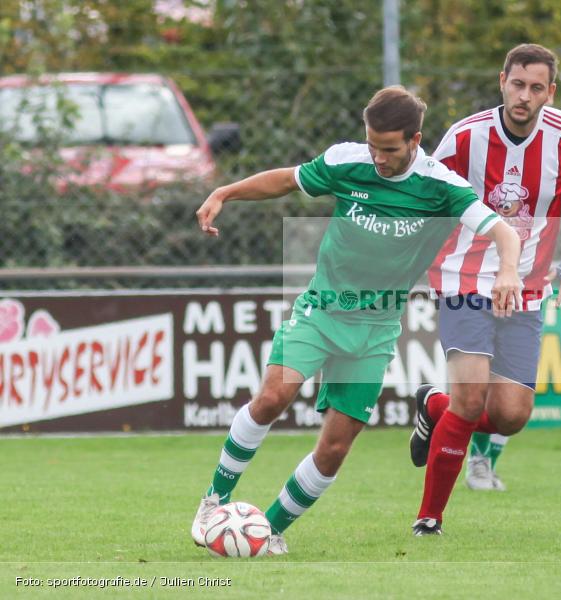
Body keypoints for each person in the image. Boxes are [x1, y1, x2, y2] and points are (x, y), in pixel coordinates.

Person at [189, 86, 524, 554]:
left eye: (389, 149)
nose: (378, 158)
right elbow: (287, 180)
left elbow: (504, 232)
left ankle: (269, 530)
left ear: (415, 140)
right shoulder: (348, 161)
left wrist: (508, 270)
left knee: (334, 448)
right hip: (322, 309)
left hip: (375, 330)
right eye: (372, 146)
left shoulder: (441, 186)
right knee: (272, 397)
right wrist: (225, 192)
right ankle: (214, 501)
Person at [409, 44, 561, 532]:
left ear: (550, 92)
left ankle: (434, 405)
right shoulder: (465, 137)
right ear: (502, 82)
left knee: (512, 415)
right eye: (517, 84)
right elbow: (427, 195)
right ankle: (429, 518)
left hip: (528, 286)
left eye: (536, 88)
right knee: (471, 400)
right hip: (463, 276)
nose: (524, 96)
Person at [465, 222, 561, 491]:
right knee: (481, 377)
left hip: (528, 285)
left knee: (513, 395)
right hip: (476, 279)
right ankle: (479, 459)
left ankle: (487, 461)